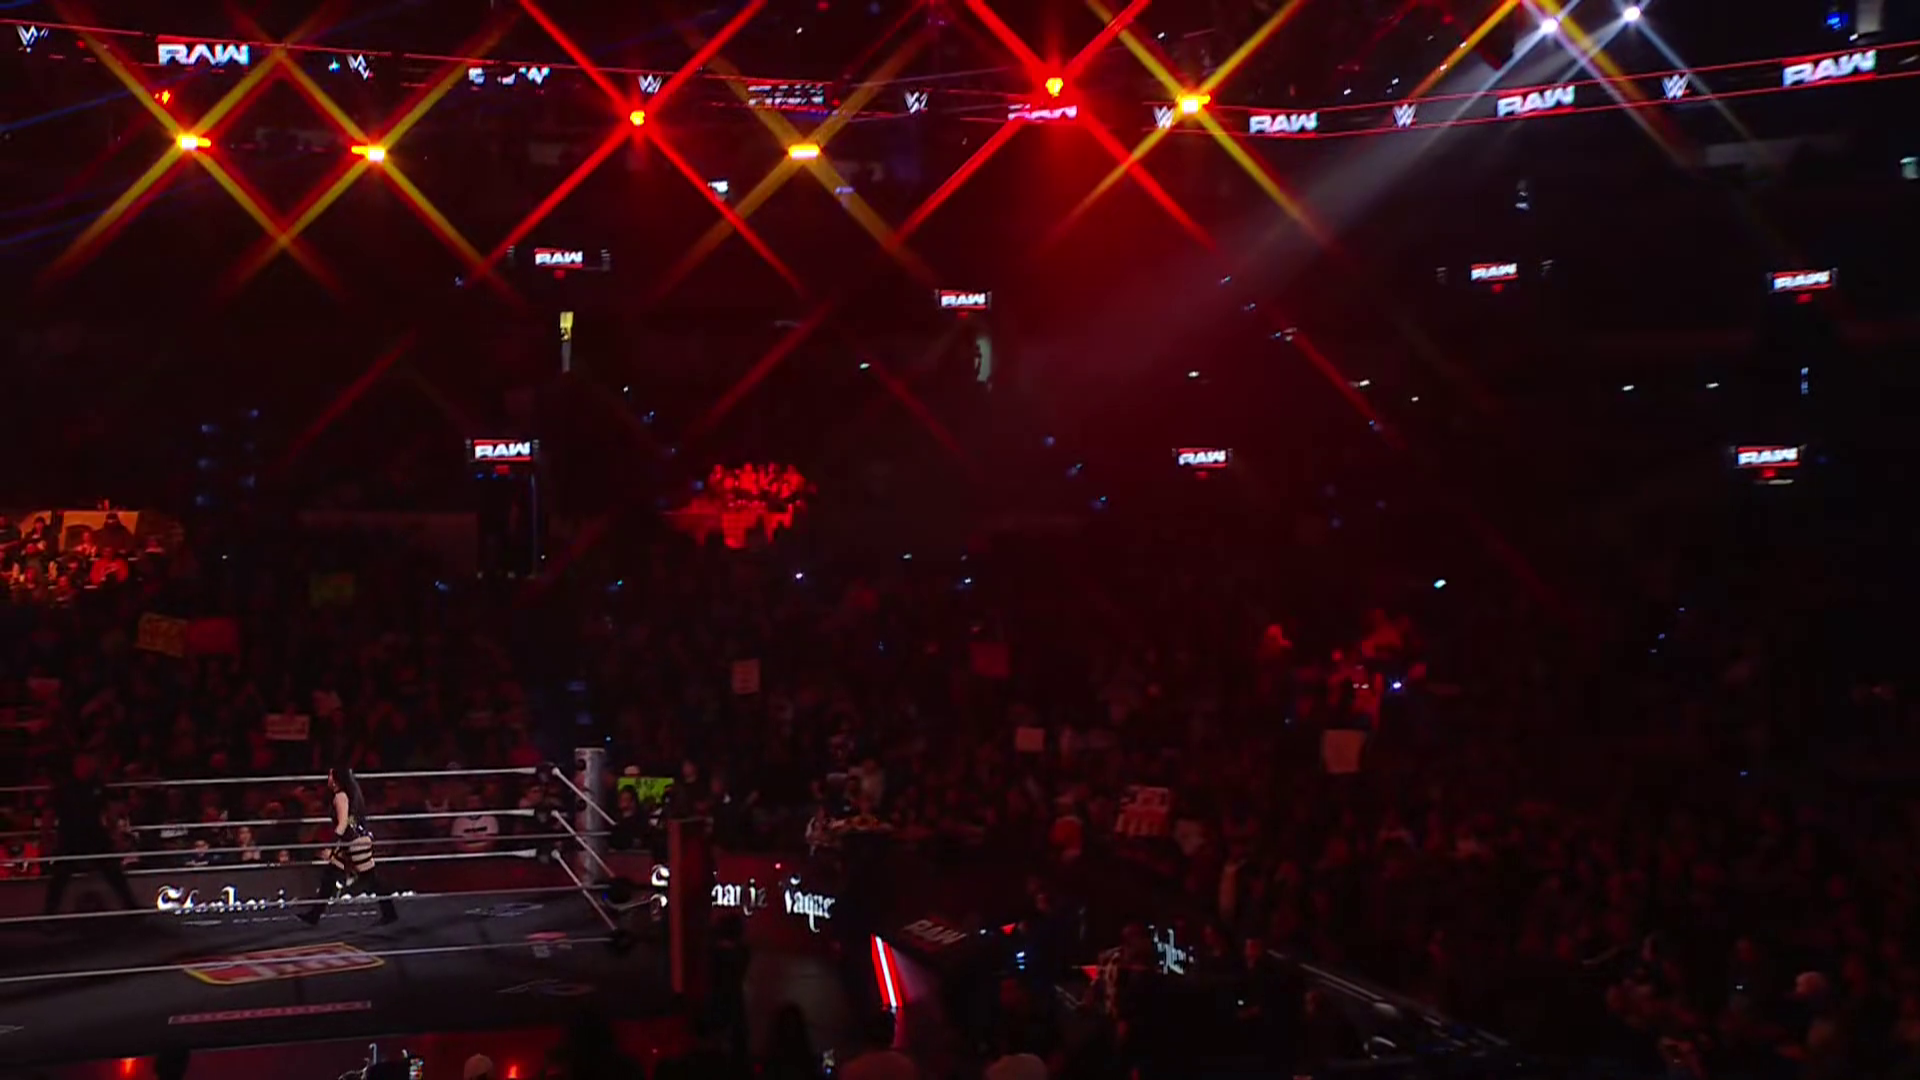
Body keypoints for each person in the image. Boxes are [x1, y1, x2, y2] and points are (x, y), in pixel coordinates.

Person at [299, 765, 398, 925]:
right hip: (350, 840)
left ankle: (389, 912)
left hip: (354, 841)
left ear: (337, 779)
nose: (328, 779)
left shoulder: (341, 796)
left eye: (331, 775)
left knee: (370, 878)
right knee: (330, 876)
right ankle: (314, 914)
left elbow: (343, 823)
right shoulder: (349, 795)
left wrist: (332, 843)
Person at [44, 751, 138, 915]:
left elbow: (109, 810)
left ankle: (132, 908)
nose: (90, 766)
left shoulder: (97, 786)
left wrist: (115, 833)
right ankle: (49, 914)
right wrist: (46, 836)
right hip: (70, 837)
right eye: (86, 763)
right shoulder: (64, 788)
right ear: (78, 766)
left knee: (113, 871)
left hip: (95, 836)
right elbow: (49, 814)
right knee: (60, 876)